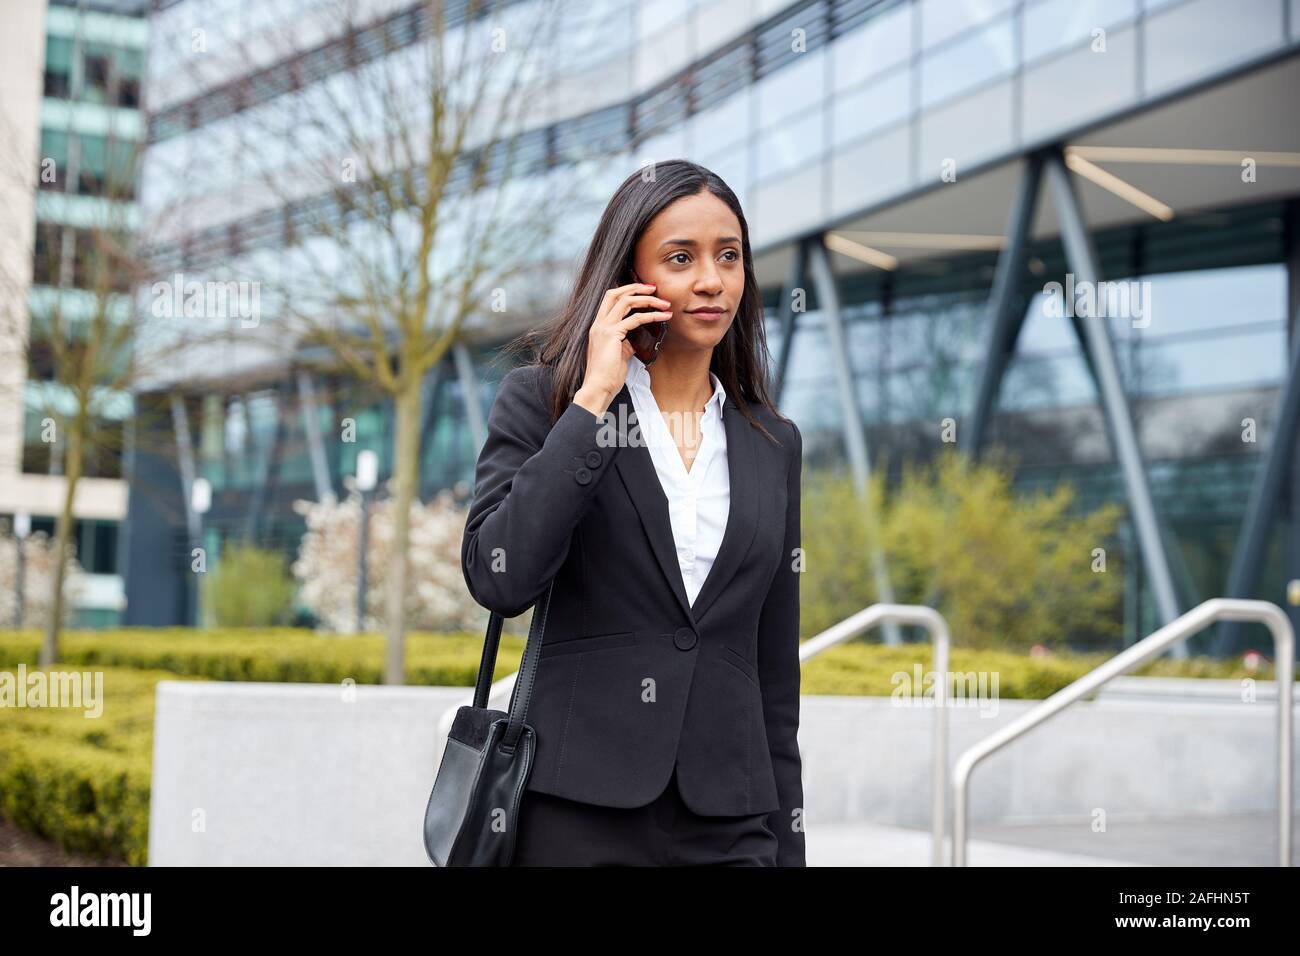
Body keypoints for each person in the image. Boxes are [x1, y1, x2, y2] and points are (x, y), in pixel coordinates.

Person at [461, 159, 805, 866]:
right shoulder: (547, 403)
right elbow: (500, 577)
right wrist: (592, 402)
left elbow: (774, 674)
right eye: (681, 259)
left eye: (729, 256)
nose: (712, 280)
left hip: (731, 822)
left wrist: (790, 844)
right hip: (578, 812)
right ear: (627, 279)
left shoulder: (773, 442)